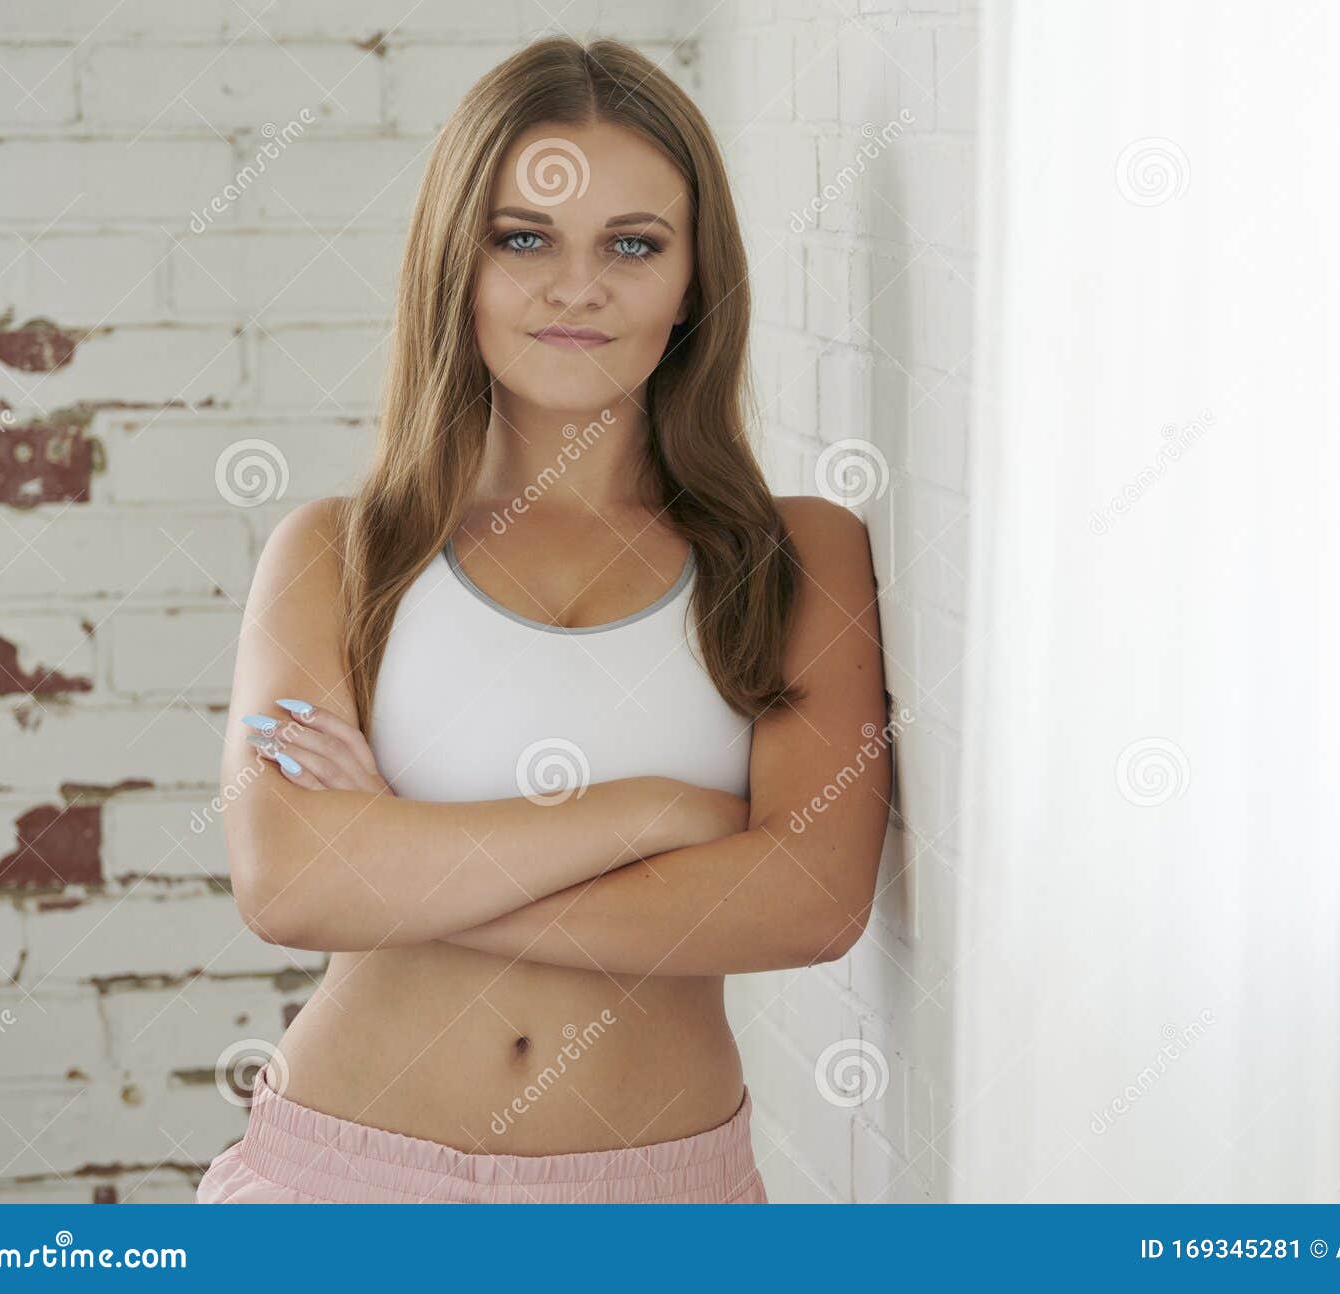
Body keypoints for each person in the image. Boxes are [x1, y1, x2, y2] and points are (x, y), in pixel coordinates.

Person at [195, 35, 891, 1205]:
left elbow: (807, 904)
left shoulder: (797, 556)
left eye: (633, 243)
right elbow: (290, 887)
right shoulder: (337, 552)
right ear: (455, 267)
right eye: (524, 238)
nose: (580, 286)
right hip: (337, 1184)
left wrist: (407, 869)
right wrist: (658, 815)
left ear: (691, 281)